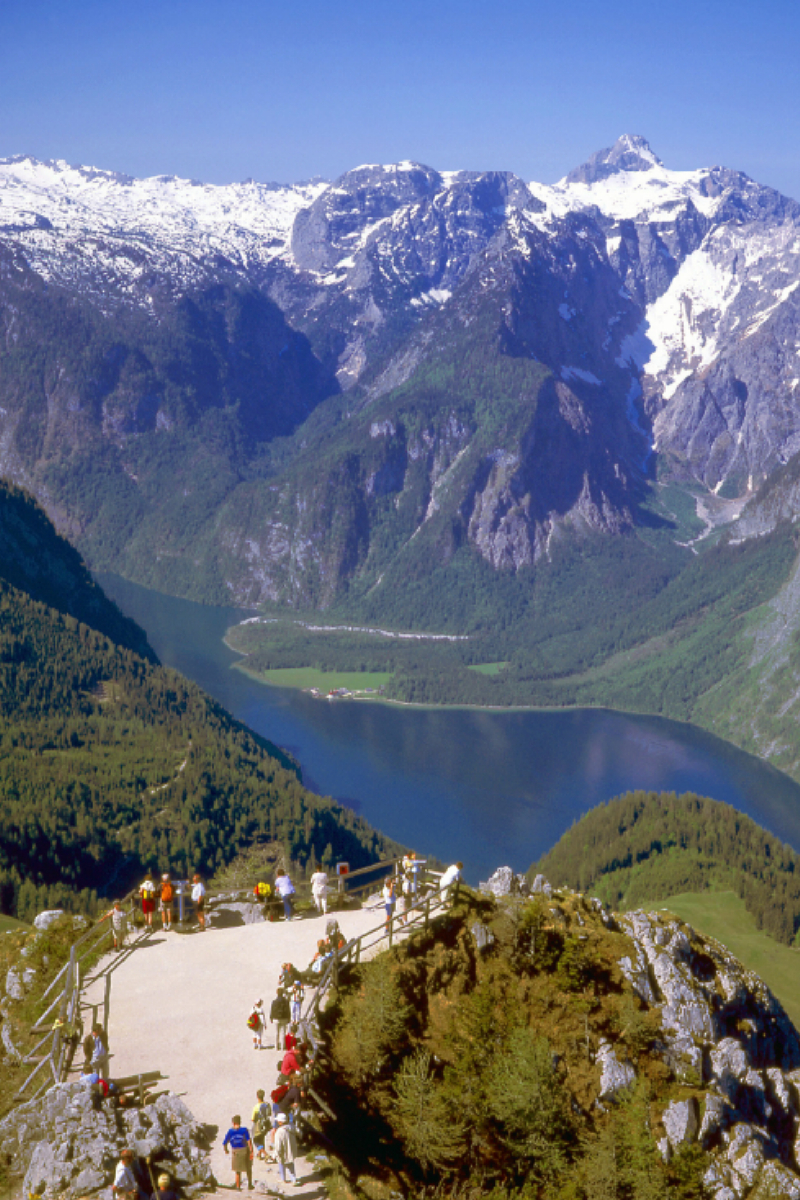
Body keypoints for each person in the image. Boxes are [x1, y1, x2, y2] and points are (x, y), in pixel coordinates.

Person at [223, 1114, 253, 1190]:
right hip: (244, 1150)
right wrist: (251, 1151)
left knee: (237, 1170)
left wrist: (226, 1150)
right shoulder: (244, 1130)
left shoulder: (230, 1131)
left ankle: (238, 1187)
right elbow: (249, 1141)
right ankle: (250, 1185)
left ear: (233, 1122)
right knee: (248, 1168)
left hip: (235, 1151)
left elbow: (224, 1143)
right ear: (240, 1122)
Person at [273, 1113, 300, 1186]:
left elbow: (278, 1146)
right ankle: (293, 1179)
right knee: (290, 1163)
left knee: (281, 1163)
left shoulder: (279, 1131)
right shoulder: (291, 1127)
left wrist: (275, 1154)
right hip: (291, 1149)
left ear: (280, 1122)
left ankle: (283, 1179)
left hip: (283, 1151)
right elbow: (299, 1132)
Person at [252, 1089, 270, 1161]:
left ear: (257, 1096)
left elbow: (253, 1119)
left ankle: (265, 1154)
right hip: (266, 1124)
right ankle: (259, 1154)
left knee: (256, 1139)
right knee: (262, 1138)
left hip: (258, 1124)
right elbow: (269, 1114)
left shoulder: (256, 1107)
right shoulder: (267, 1105)